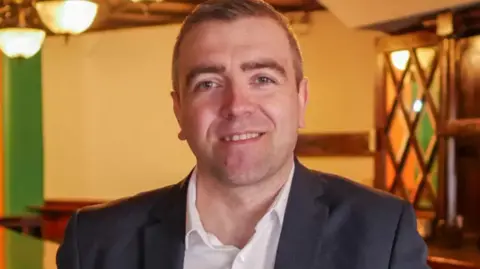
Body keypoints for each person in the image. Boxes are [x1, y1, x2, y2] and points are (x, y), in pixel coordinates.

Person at [56, 0, 430, 268]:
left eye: (263, 79)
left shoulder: (382, 235)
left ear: (300, 99)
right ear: (179, 111)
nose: (237, 105)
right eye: (208, 83)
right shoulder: (93, 244)